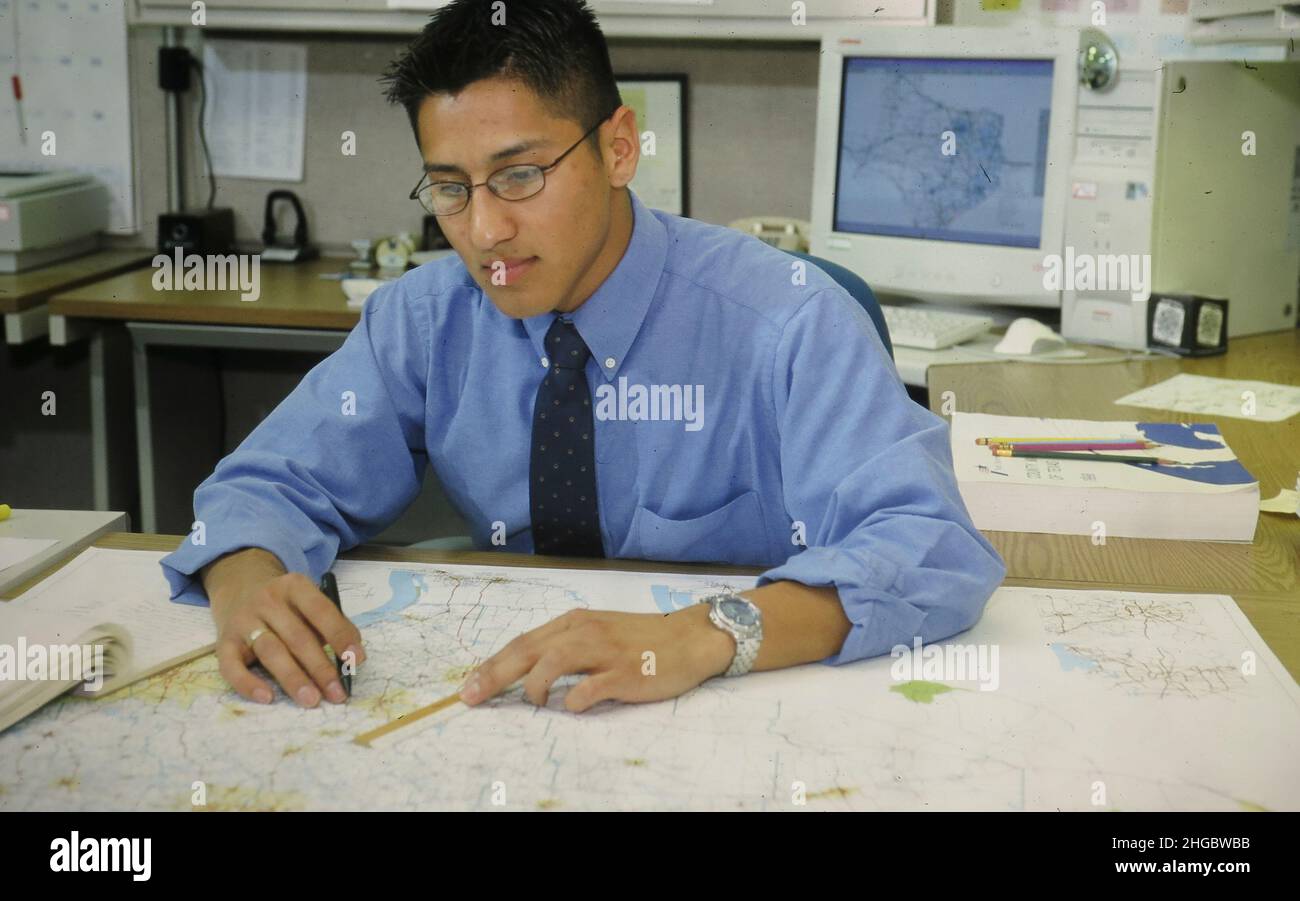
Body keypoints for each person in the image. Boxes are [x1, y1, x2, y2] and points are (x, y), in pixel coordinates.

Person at [159, 0, 1005, 714]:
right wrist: (244, 578)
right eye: (451, 188)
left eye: (519, 175)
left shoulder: (786, 320)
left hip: (738, 707)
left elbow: (929, 543)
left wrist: (702, 632)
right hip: (527, 709)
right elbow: (263, 484)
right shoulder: (425, 318)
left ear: (618, 148)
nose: (485, 231)